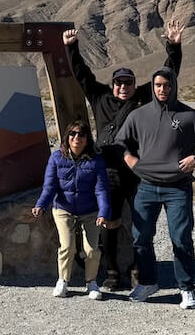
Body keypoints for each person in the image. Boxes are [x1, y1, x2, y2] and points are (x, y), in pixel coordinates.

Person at [63, 22, 184, 294]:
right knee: (109, 221)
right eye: (119, 82)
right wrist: (71, 47)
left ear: (134, 84)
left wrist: (174, 46)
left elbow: (168, 74)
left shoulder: (144, 97)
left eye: (128, 82)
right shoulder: (100, 97)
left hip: (139, 169)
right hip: (109, 171)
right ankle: (112, 271)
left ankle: (139, 270)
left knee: (142, 221)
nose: (123, 87)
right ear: (112, 84)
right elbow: (81, 75)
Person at [116, 68, 195, 309]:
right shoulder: (138, 115)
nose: (162, 90)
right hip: (146, 187)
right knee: (141, 238)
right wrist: (129, 158)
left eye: (166, 85)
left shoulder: (190, 116)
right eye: (157, 86)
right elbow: (120, 142)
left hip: (178, 188)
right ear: (152, 87)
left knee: (181, 238)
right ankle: (147, 282)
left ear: (174, 86)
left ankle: (186, 289)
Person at [31, 120, 113, 299]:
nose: (77, 138)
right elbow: (49, 187)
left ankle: (91, 282)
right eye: (73, 134)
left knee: (92, 250)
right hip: (64, 208)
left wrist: (103, 212)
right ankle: (63, 281)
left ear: (87, 139)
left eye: (81, 135)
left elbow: (101, 189)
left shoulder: (96, 160)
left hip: (90, 210)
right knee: (67, 246)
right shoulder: (56, 158)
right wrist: (41, 205)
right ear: (67, 137)